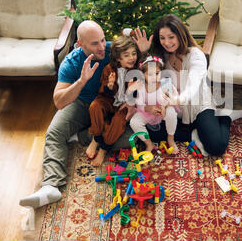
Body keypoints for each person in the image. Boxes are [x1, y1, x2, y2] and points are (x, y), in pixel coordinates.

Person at [19, 21, 148, 209]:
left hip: (112, 104)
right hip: (81, 103)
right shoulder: (71, 62)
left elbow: (136, 61)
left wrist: (143, 52)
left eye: (103, 40)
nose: (102, 47)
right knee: (54, 133)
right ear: (80, 44)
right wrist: (81, 81)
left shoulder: (112, 51)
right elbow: (59, 101)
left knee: (131, 139)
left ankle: (81, 136)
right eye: (95, 43)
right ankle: (50, 186)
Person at [133, 14, 242, 157]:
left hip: (198, 105)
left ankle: (225, 117)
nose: (166, 42)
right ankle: (193, 134)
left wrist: (179, 99)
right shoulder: (163, 56)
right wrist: (144, 52)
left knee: (216, 147)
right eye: (162, 38)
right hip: (176, 109)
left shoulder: (196, 56)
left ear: (180, 35)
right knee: (148, 130)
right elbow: (146, 71)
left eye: (171, 37)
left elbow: (192, 87)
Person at [86, 35, 141, 166]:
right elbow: (104, 91)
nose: (132, 57)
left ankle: (103, 149)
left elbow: (137, 97)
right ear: (118, 58)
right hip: (109, 100)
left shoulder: (137, 71)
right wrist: (110, 86)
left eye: (133, 54)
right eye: (126, 55)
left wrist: (132, 92)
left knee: (119, 120)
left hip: (125, 105)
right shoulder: (109, 69)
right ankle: (96, 139)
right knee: (95, 106)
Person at [129, 55, 181, 154]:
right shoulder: (142, 86)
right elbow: (139, 103)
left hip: (163, 110)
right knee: (134, 122)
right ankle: (149, 143)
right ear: (143, 75)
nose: (154, 77)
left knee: (171, 113)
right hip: (148, 112)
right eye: (149, 74)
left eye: (157, 73)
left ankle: (170, 138)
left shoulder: (165, 83)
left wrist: (164, 106)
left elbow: (173, 97)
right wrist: (147, 108)